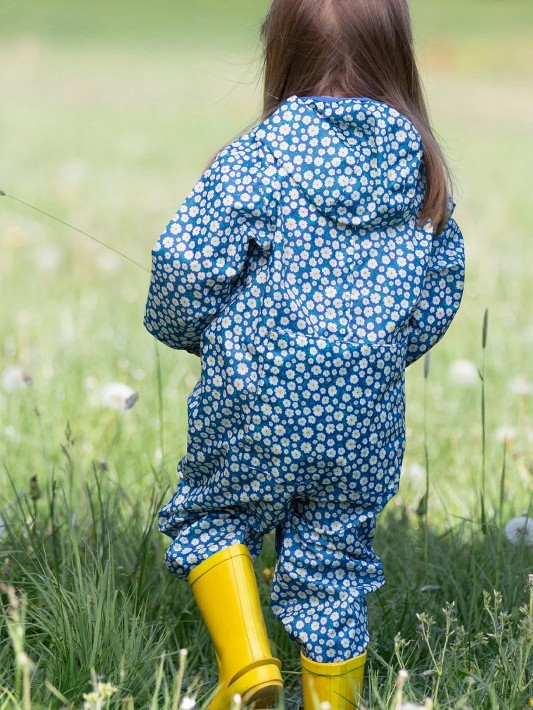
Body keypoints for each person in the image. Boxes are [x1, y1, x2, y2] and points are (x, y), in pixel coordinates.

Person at [143, 0, 465, 708]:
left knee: (211, 518)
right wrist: (378, 356)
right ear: (397, 56)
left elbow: (185, 264)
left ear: (280, 51)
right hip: (362, 420)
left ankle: (247, 668)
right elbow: (439, 289)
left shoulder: (259, 155)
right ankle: (330, 702)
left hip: (254, 399)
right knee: (334, 560)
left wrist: (189, 330)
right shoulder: (420, 168)